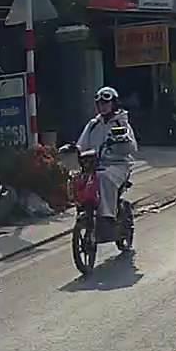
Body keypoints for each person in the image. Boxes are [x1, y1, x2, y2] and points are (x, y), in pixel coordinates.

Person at [76, 86, 137, 242]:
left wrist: (119, 141)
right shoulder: (93, 124)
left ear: (113, 104)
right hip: (94, 165)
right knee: (79, 179)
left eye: (106, 103)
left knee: (103, 177)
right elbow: (81, 145)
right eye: (100, 103)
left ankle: (107, 217)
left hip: (118, 165)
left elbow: (132, 147)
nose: (102, 106)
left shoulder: (120, 122)